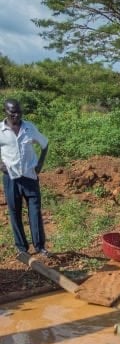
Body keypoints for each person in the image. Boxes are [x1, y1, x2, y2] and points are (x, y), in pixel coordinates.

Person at [0, 99, 50, 256]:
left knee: (34, 211)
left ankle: (40, 246)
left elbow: (45, 144)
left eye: (19, 112)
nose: (16, 115)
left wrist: (39, 164)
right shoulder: (1, 131)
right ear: (5, 111)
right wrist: (1, 165)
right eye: (13, 112)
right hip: (11, 178)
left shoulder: (29, 128)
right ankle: (22, 248)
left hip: (30, 177)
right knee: (15, 213)